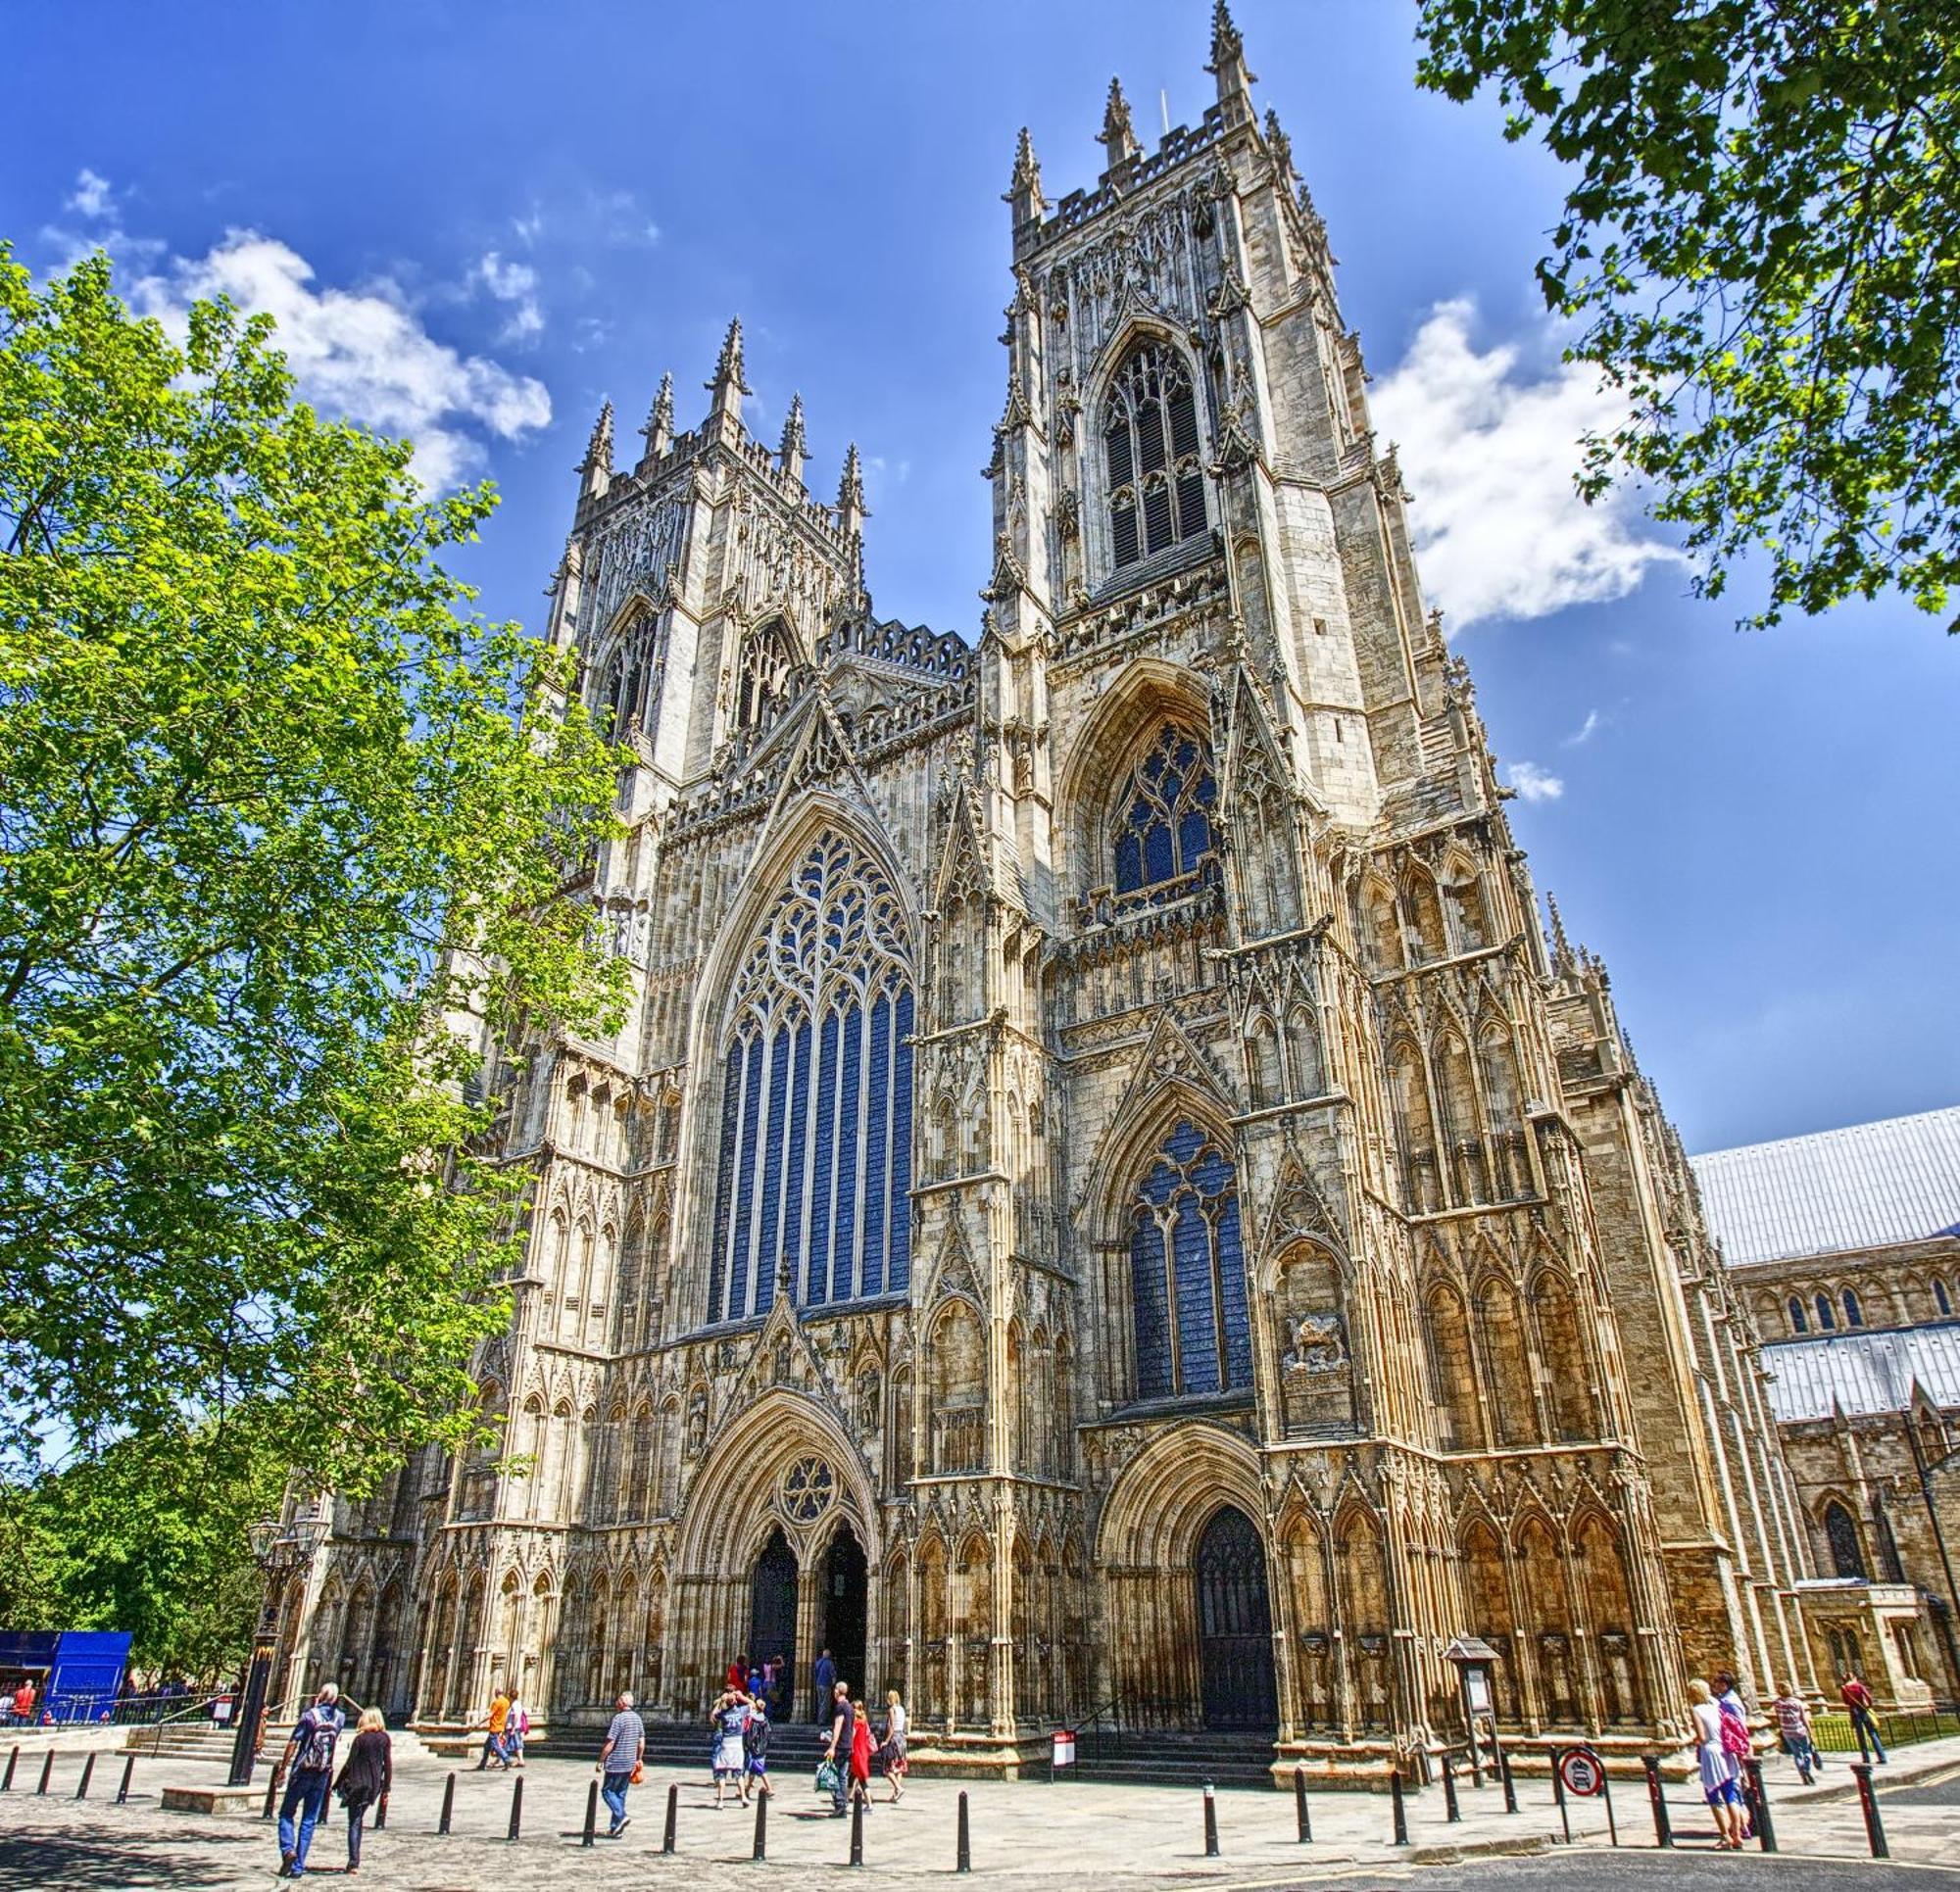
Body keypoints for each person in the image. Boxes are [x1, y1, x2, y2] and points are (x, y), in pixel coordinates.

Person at [275, 1683, 346, 1879]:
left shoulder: (309, 1716)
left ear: (319, 1696)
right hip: (322, 1773)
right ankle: (298, 1866)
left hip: (303, 1771)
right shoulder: (340, 1718)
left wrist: (282, 1769)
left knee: (286, 1813)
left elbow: (293, 1742)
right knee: (309, 1820)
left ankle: (288, 1849)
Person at [333, 1706, 392, 1875]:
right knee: (358, 1820)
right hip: (373, 1787)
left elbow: (349, 1764)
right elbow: (387, 1765)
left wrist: (336, 1783)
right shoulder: (385, 1738)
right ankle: (354, 1859)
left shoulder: (360, 1739)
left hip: (357, 1785)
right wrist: (386, 1788)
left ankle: (353, 1861)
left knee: (355, 1821)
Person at [1689, 1677, 1745, 1851]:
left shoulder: (1696, 1709)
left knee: (1714, 1797)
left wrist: (1694, 1740)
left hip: (1711, 1754)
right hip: (1726, 1752)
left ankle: (1725, 1836)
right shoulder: (1717, 1704)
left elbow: (1702, 1737)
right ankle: (1737, 1834)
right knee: (1731, 1796)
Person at [598, 1690, 646, 1837]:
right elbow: (641, 1741)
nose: (615, 1703)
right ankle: (615, 1828)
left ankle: (622, 1815)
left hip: (616, 1762)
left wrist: (601, 1760)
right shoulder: (637, 1718)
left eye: (618, 1700)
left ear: (622, 1703)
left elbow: (611, 1741)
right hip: (629, 1763)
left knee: (607, 1791)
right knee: (620, 1794)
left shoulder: (619, 1719)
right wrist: (638, 1758)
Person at [1771, 1681, 1819, 1784]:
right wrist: (1810, 1731)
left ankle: (1803, 1776)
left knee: (1797, 1755)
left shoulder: (1777, 1703)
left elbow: (1777, 1716)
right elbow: (1803, 1718)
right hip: (1800, 1731)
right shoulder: (1797, 1702)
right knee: (1807, 1752)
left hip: (1787, 1732)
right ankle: (1806, 1769)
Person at [710, 1687, 750, 1807]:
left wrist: (721, 1701)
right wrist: (742, 1696)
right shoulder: (741, 1711)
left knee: (722, 1773)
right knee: (739, 1774)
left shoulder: (723, 1714)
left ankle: (720, 1801)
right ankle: (743, 1797)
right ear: (736, 1702)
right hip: (737, 1744)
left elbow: (712, 1717)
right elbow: (753, 1704)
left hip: (726, 1744)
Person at [1840, 1671, 1887, 1763]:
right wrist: (1869, 1706)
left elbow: (1846, 1701)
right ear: (1854, 1678)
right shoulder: (1859, 1686)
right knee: (1872, 1733)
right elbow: (1868, 1697)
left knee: (1860, 1735)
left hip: (1854, 1711)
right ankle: (1882, 1757)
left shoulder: (1844, 1688)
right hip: (1863, 1710)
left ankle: (1866, 1758)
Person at [822, 1679, 852, 1816]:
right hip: (847, 1745)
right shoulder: (850, 1707)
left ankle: (839, 1804)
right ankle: (843, 1806)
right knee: (842, 1777)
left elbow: (838, 1726)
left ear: (837, 1691)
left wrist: (832, 1747)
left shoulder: (840, 1707)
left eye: (835, 1689)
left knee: (832, 1776)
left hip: (840, 1747)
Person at [742, 1693, 772, 1804]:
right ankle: (746, 1789)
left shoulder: (755, 1721)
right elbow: (769, 1733)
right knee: (752, 1770)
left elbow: (751, 1735)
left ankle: (770, 1788)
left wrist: (748, 1744)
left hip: (756, 1748)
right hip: (763, 1747)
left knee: (758, 1768)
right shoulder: (765, 1720)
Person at [880, 1688, 908, 1803]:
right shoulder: (901, 1709)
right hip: (901, 1738)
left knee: (887, 1768)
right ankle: (896, 1793)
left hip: (894, 1739)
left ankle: (899, 1788)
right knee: (899, 1766)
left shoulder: (892, 1710)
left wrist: (886, 1741)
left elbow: (891, 1727)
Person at [848, 1700, 875, 1813]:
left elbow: (852, 1736)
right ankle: (844, 1801)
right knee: (851, 1778)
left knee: (862, 1780)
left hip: (857, 1753)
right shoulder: (864, 1722)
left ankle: (869, 1806)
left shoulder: (856, 1723)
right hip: (863, 1752)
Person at [476, 1686, 512, 1770]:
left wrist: (480, 1722)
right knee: (487, 1746)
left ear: (496, 1693)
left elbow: (490, 1714)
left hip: (495, 1727)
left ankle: (506, 1759)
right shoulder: (506, 1702)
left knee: (496, 1746)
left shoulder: (496, 1702)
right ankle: (483, 1764)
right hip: (501, 1726)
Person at [502, 1691, 528, 1769]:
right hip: (514, 1727)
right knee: (515, 1744)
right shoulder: (517, 1704)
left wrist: (513, 1728)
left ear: (511, 1697)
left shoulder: (515, 1705)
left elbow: (516, 1716)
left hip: (513, 1727)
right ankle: (520, 1760)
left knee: (507, 1743)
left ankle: (507, 1760)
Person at [812, 1648, 836, 1722]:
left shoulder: (818, 1662)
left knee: (820, 1702)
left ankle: (820, 1718)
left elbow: (815, 1673)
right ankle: (822, 1720)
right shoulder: (829, 1663)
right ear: (828, 1655)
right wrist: (833, 1684)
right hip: (826, 1684)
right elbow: (833, 1674)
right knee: (825, 1703)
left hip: (818, 1684)